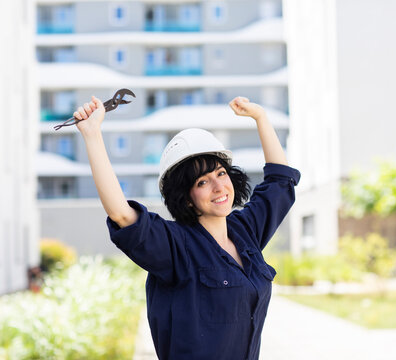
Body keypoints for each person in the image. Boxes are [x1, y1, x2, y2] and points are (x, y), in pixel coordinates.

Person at [72, 95, 300, 360]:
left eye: (221, 173)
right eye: (202, 182)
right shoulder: (174, 247)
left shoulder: (244, 233)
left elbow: (280, 183)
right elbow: (121, 214)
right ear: (185, 197)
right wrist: (92, 134)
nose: (218, 187)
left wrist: (260, 117)